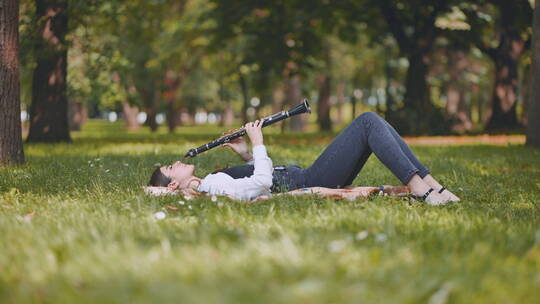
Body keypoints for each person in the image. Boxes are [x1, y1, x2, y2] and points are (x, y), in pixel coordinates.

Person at [148, 112, 460, 205]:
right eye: (169, 168)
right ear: (173, 184)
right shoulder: (209, 188)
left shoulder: (212, 181)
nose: (175, 163)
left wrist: (245, 152)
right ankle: (422, 190)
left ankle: (432, 186)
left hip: (306, 174)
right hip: (313, 180)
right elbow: (262, 183)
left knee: (374, 122)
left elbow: (255, 178)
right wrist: (258, 143)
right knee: (367, 122)